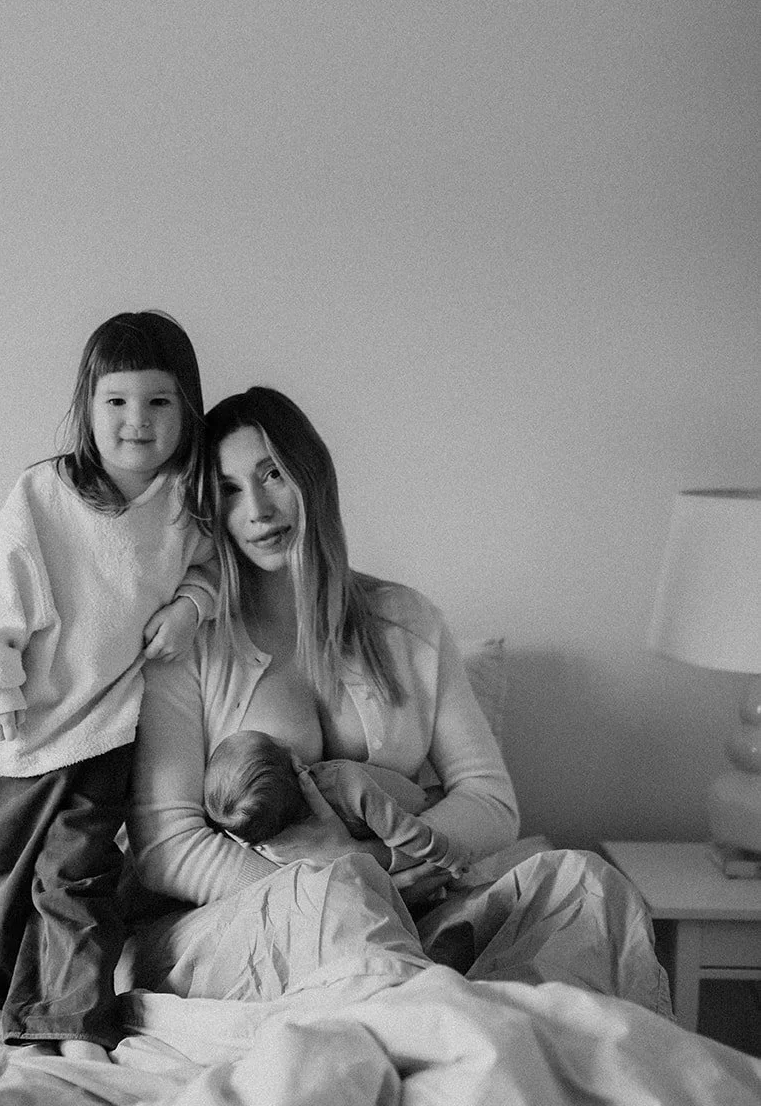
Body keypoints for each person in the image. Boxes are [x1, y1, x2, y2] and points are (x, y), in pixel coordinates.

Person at [126, 387, 671, 1018]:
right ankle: (450, 1039)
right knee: (343, 910)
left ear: (313, 475)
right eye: (227, 489)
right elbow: (166, 844)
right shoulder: (190, 644)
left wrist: (388, 865)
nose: (257, 509)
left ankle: (502, 1040)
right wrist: (340, 881)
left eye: (272, 474)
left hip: (417, 898)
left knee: (585, 885)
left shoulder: (405, 621)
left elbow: (489, 800)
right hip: (245, 923)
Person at [0, 310, 214, 1061]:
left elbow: (210, 570)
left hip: (103, 727)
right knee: (4, 890)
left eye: (159, 403)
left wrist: (191, 608)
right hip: (15, 734)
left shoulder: (184, 505)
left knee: (78, 879)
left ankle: (72, 1023)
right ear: (87, 408)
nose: (137, 421)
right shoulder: (43, 496)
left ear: (186, 411)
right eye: (117, 402)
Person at [204, 728, 466, 892]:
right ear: (297, 763)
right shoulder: (345, 781)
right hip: (416, 816)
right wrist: (448, 855)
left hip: (385, 870)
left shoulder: (273, 845)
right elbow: (404, 831)